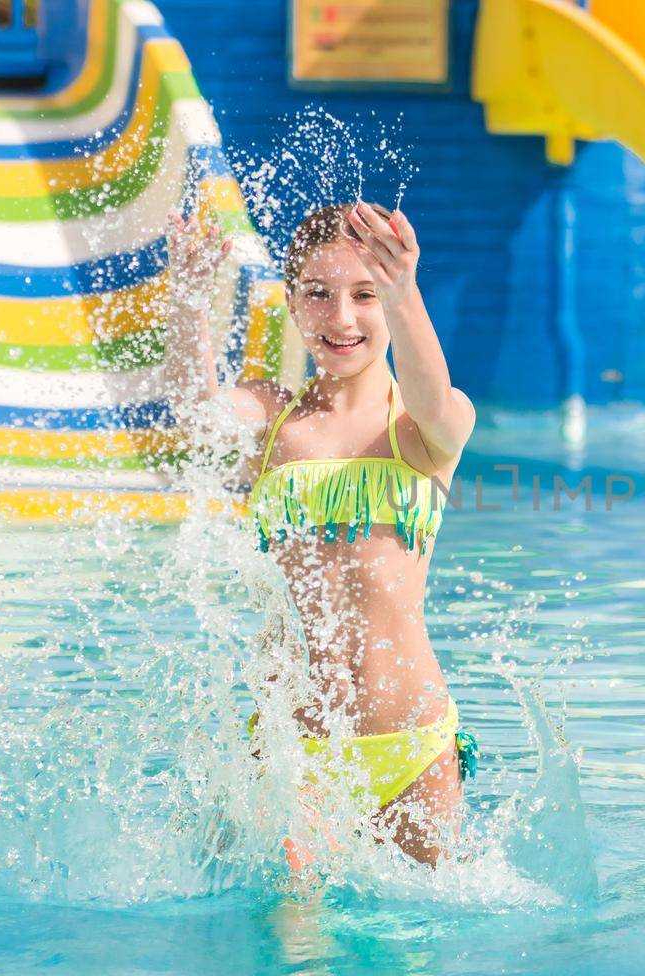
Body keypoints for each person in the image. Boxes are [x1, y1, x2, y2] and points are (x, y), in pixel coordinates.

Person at [163, 200, 475, 866]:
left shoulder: (426, 430)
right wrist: (189, 301)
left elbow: (429, 391)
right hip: (291, 745)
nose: (341, 318)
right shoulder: (271, 420)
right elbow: (193, 415)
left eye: (366, 294)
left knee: (423, 944)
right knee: (295, 926)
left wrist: (406, 293)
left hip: (412, 742)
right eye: (318, 294)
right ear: (292, 302)